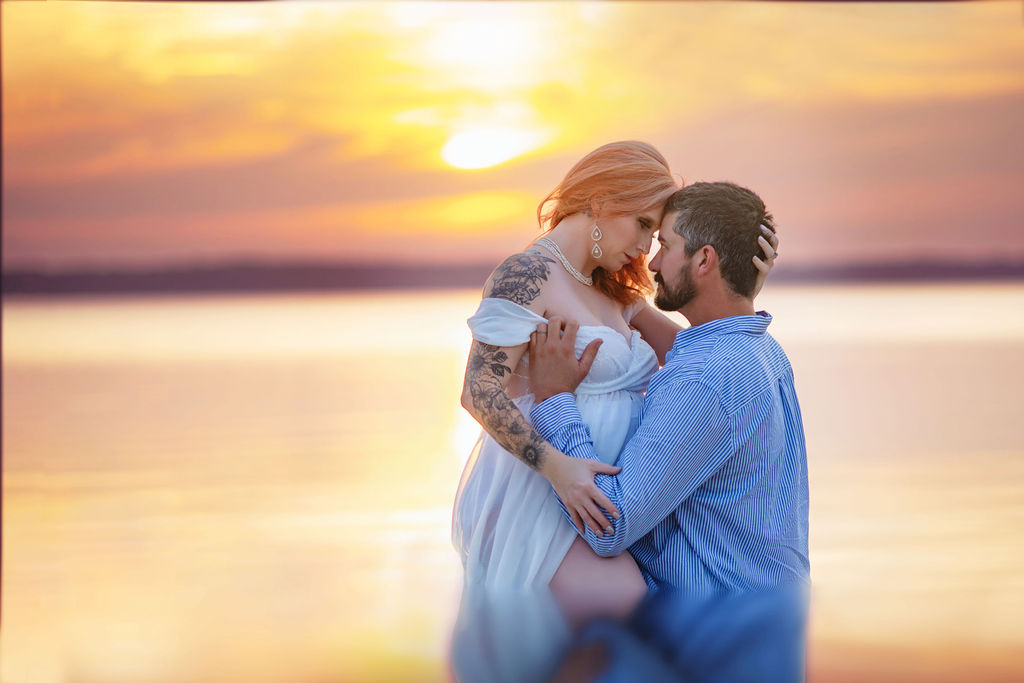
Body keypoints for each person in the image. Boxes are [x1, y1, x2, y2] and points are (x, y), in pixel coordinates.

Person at [451, 144, 779, 616]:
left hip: (608, 503)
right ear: (601, 201)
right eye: (644, 224)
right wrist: (558, 469)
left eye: (656, 233)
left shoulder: (616, 291)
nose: (647, 248)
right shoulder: (525, 274)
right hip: (544, 495)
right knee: (623, 602)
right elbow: (478, 392)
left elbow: (699, 353)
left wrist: (738, 287)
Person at [527, 181, 809, 596]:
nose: (653, 263)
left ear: (704, 260)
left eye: (666, 245)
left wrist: (554, 399)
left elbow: (612, 524)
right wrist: (736, 285)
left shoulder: (703, 378)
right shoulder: (761, 350)